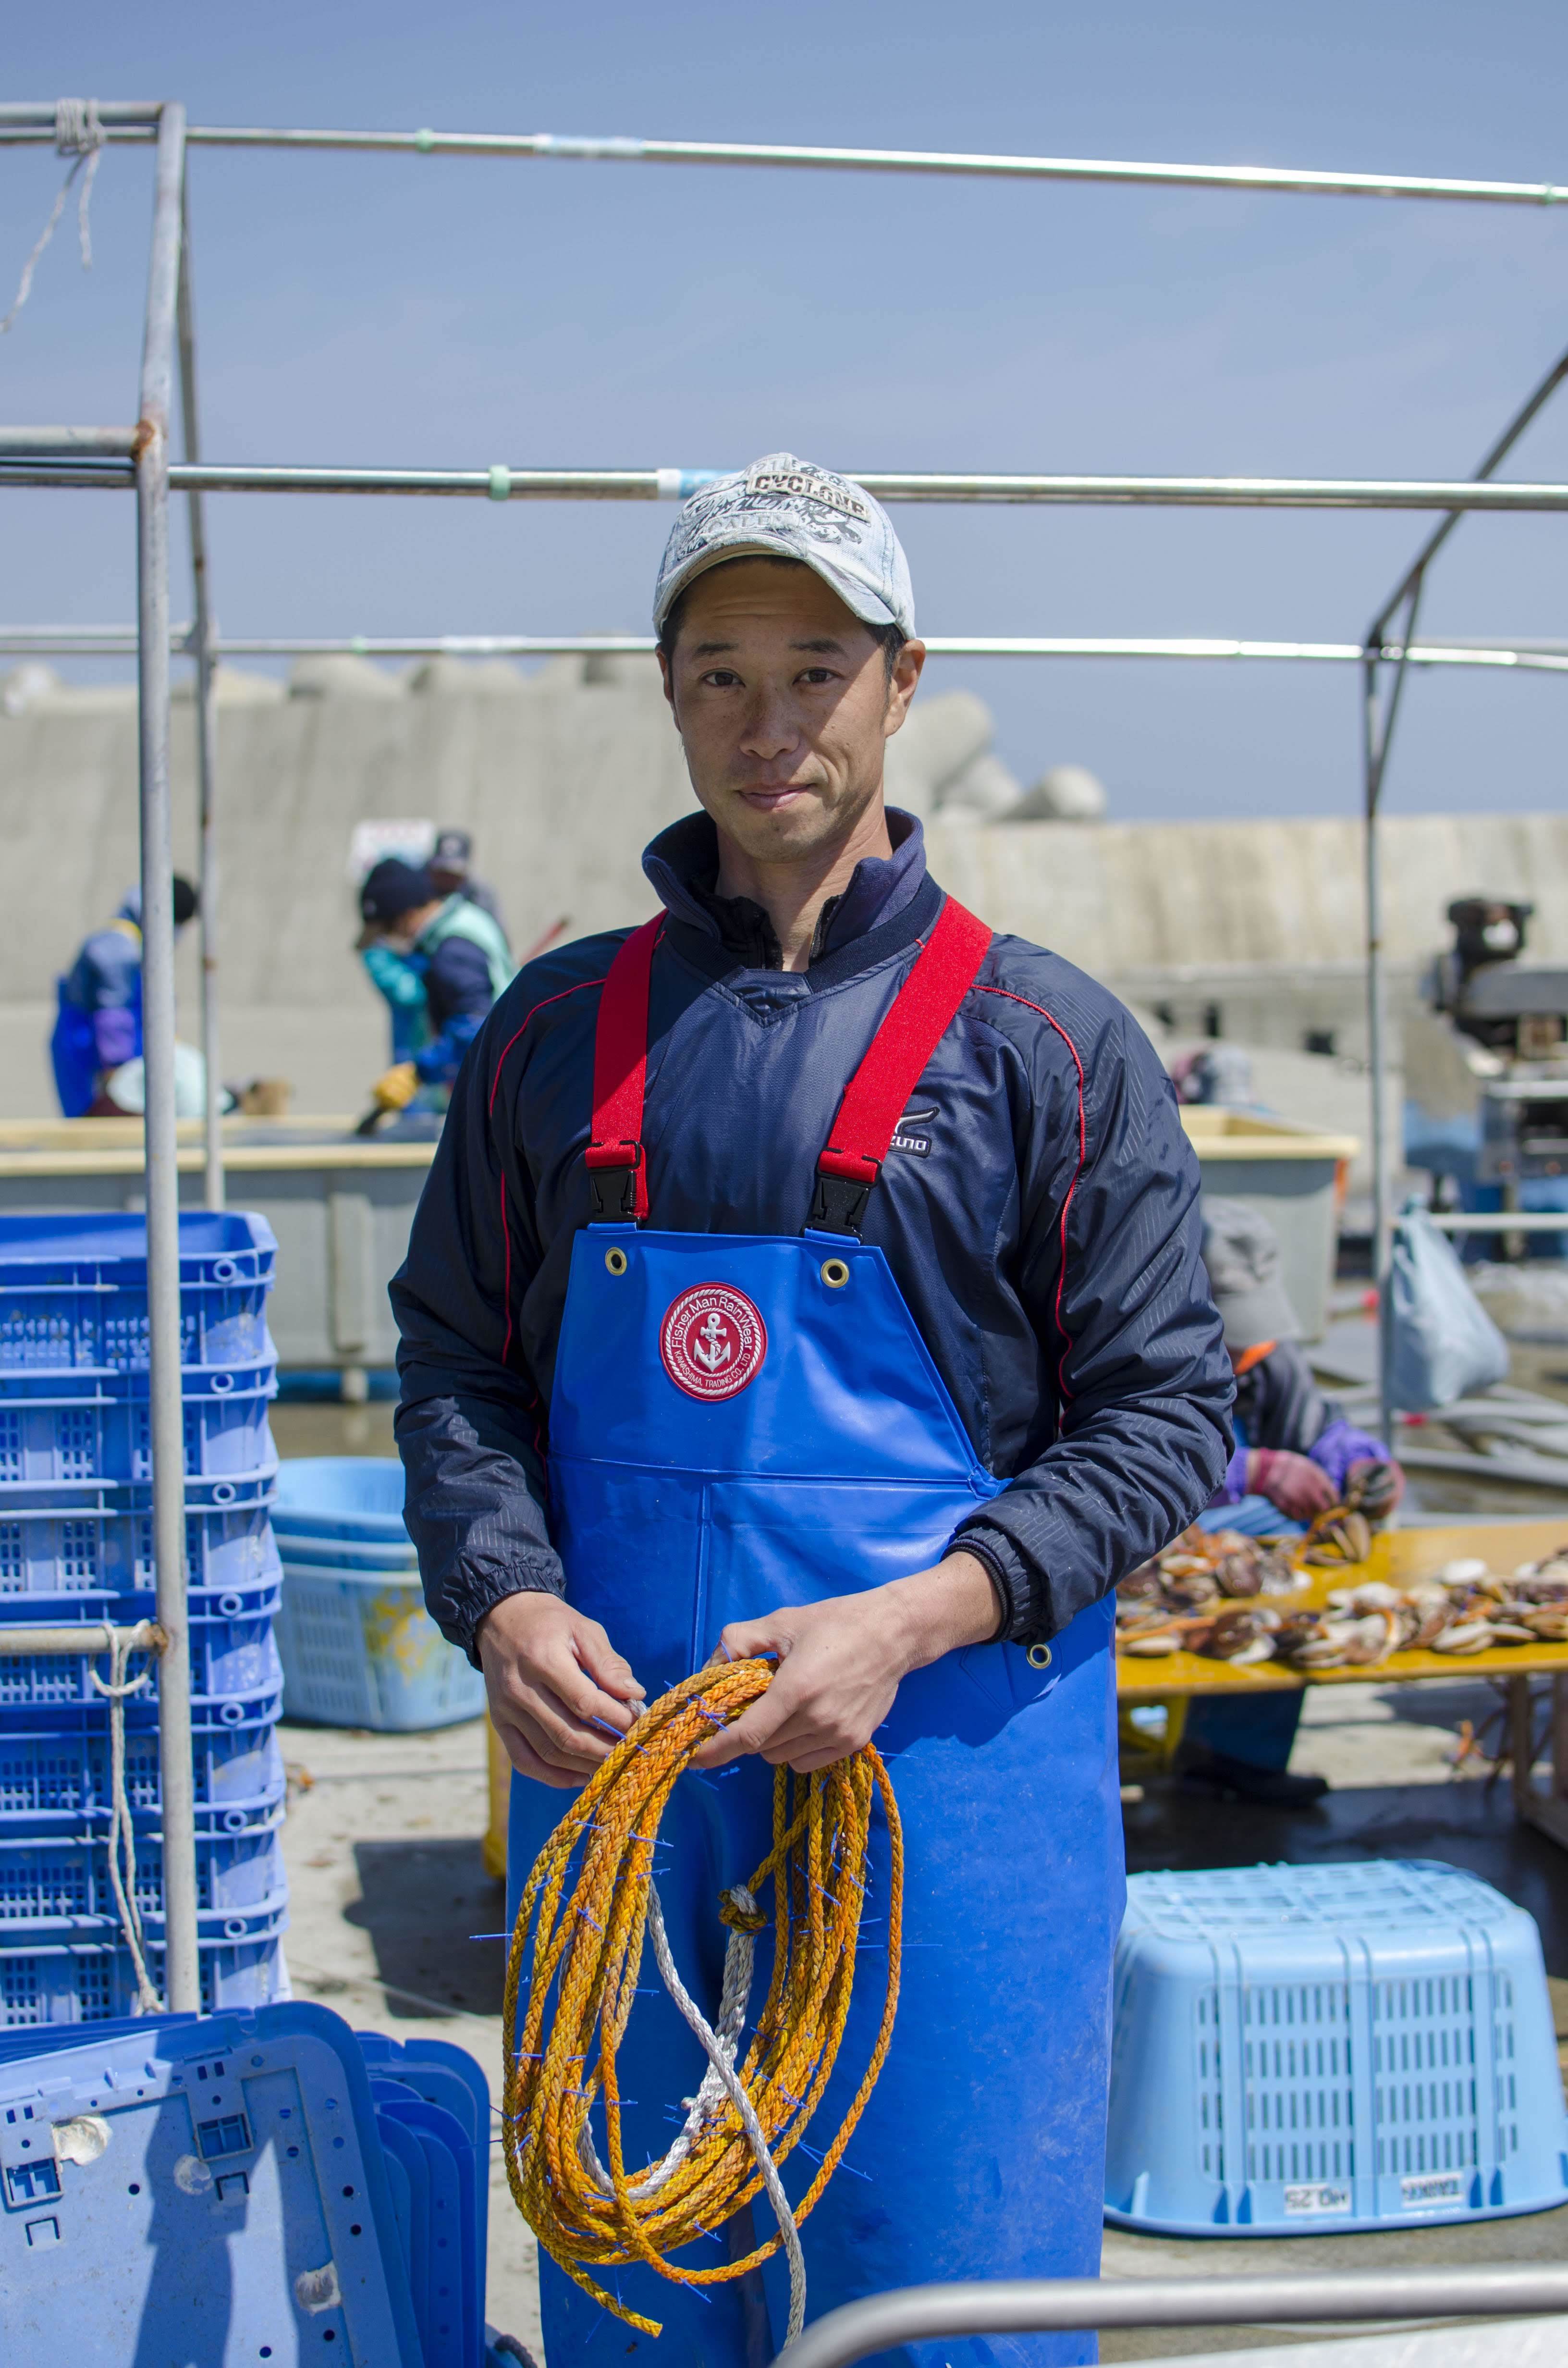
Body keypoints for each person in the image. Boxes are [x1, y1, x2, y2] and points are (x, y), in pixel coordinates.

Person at [390, 451, 1234, 2368]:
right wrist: (505, 1597)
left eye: (819, 666)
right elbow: (454, 1360)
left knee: (944, 2289)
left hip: (942, 1777)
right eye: (723, 672)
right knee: (636, 2273)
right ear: (671, 693)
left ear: (903, 679)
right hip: (618, 1770)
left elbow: (1170, 1408)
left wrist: (916, 1612)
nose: (773, 721)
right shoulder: (545, 1032)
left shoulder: (1040, 1045)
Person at [1178, 1198, 1404, 1809]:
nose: (1246, 1347)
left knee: (1309, 1547)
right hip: (1144, 1541)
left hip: (1222, 1542)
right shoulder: (1124, 1350)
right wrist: (1258, 1470)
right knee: (1277, 1530)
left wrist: (1365, 1463)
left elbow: (1323, 1430)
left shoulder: (1264, 1357)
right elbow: (1093, 1454)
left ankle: (1238, 1755)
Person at [355, 858, 514, 1118]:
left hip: (497, 1088)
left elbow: (475, 1026)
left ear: (406, 916)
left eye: (388, 930)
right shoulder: (467, 919)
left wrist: (418, 1073)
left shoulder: (451, 949)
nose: (392, 940)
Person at [51, 878, 199, 1118]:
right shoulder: (118, 950)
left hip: (116, 1055)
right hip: (90, 1056)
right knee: (95, 1129)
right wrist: (115, 1072)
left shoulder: (134, 944)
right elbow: (113, 1017)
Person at [429, 827, 510, 945]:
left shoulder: (480, 892)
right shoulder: (425, 890)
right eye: (442, 871)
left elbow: (499, 936)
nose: (448, 878)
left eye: (454, 873)